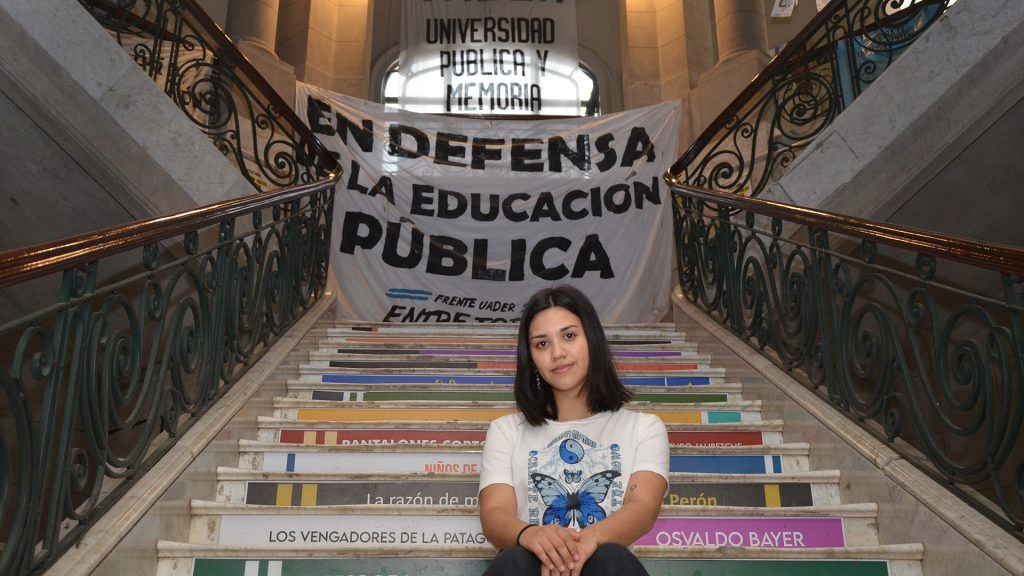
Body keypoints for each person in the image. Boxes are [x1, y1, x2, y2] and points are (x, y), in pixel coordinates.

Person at [479, 285, 669, 576]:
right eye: (542, 344)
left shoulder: (643, 427)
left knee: (611, 558)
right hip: (531, 570)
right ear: (531, 359)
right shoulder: (506, 431)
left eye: (569, 336)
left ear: (592, 339)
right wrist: (532, 535)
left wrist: (589, 540)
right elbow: (494, 514)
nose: (557, 353)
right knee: (515, 560)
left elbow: (642, 507)